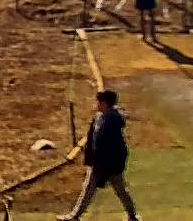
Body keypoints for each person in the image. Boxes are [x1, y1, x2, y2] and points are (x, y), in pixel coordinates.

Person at [58, 89, 139, 221]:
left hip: (109, 164)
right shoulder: (100, 118)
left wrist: (106, 164)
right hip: (99, 163)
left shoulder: (111, 121)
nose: (97, 104)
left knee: (119, 190)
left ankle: (132, 216)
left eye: (100, 102)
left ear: (105, 103)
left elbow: (115, 147)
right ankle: (75, 215)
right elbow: (93, 140)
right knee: (96, 189)